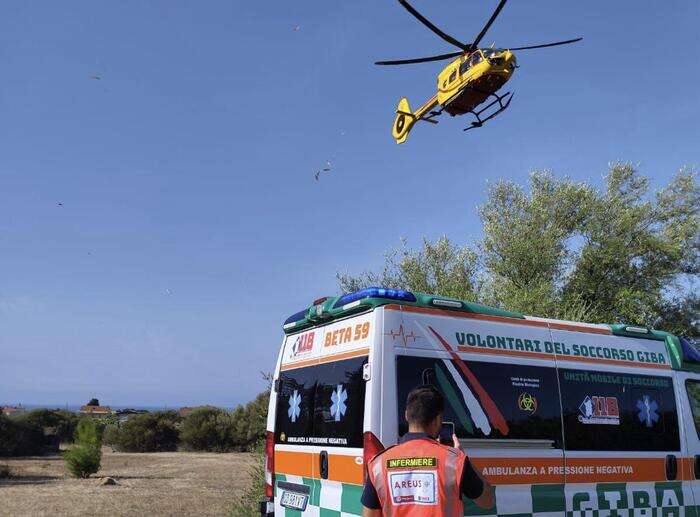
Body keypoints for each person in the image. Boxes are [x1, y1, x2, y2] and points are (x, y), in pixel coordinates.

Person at [362, 386, 494, 516]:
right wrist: (465, 458)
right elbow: (487, 501)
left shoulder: (378, 464)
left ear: (407, 415)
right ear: (438, 420)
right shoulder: (454, 461)